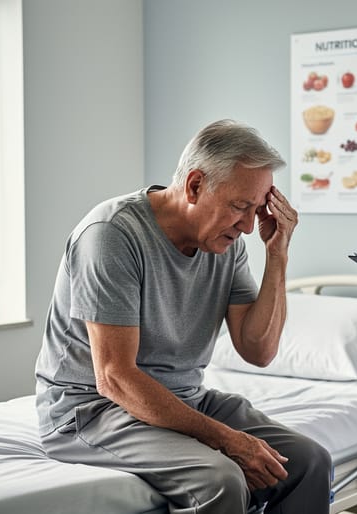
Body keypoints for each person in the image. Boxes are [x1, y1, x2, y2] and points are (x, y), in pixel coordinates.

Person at [34, 119, 331, 513]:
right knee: (221, 479)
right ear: (194, 186)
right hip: (91, 410)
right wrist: (226, 439)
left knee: (309, 463)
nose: (246, 226)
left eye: (256, 210)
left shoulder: (227, 245)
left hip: (185, 400)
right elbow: (115, 378)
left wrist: (278, 253)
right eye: (240, 207)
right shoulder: (112, 235)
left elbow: (258, 351)